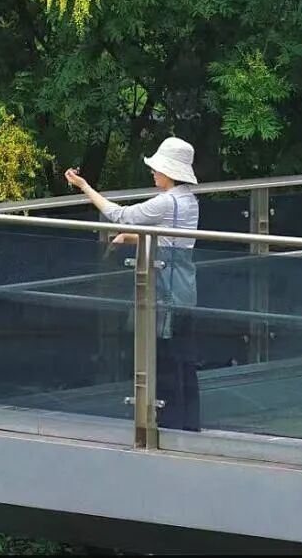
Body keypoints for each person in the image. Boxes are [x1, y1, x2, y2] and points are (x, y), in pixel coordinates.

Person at [65, 136, 200, 433]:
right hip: (185, 289)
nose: (153, 172)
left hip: (165, 294)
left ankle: (168, 426)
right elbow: (167, 241)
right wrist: (131, 238)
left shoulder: (165, 202)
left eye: (157, 168)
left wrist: (85, 187)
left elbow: (120, 215)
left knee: (164, 359)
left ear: (169, 172)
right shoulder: (189, 201)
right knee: (184, 360)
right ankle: (188, 425)